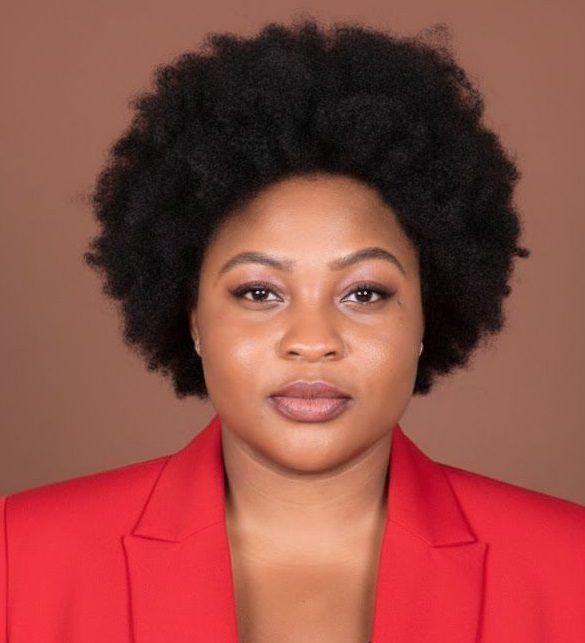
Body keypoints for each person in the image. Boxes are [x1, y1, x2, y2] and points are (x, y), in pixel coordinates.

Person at [1, 19, 584, 643]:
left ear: (425, 314)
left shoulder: (570, 566)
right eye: (259, 292)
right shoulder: (19, 555)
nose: (312, 340)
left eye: (364, 293)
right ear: (193, 317)